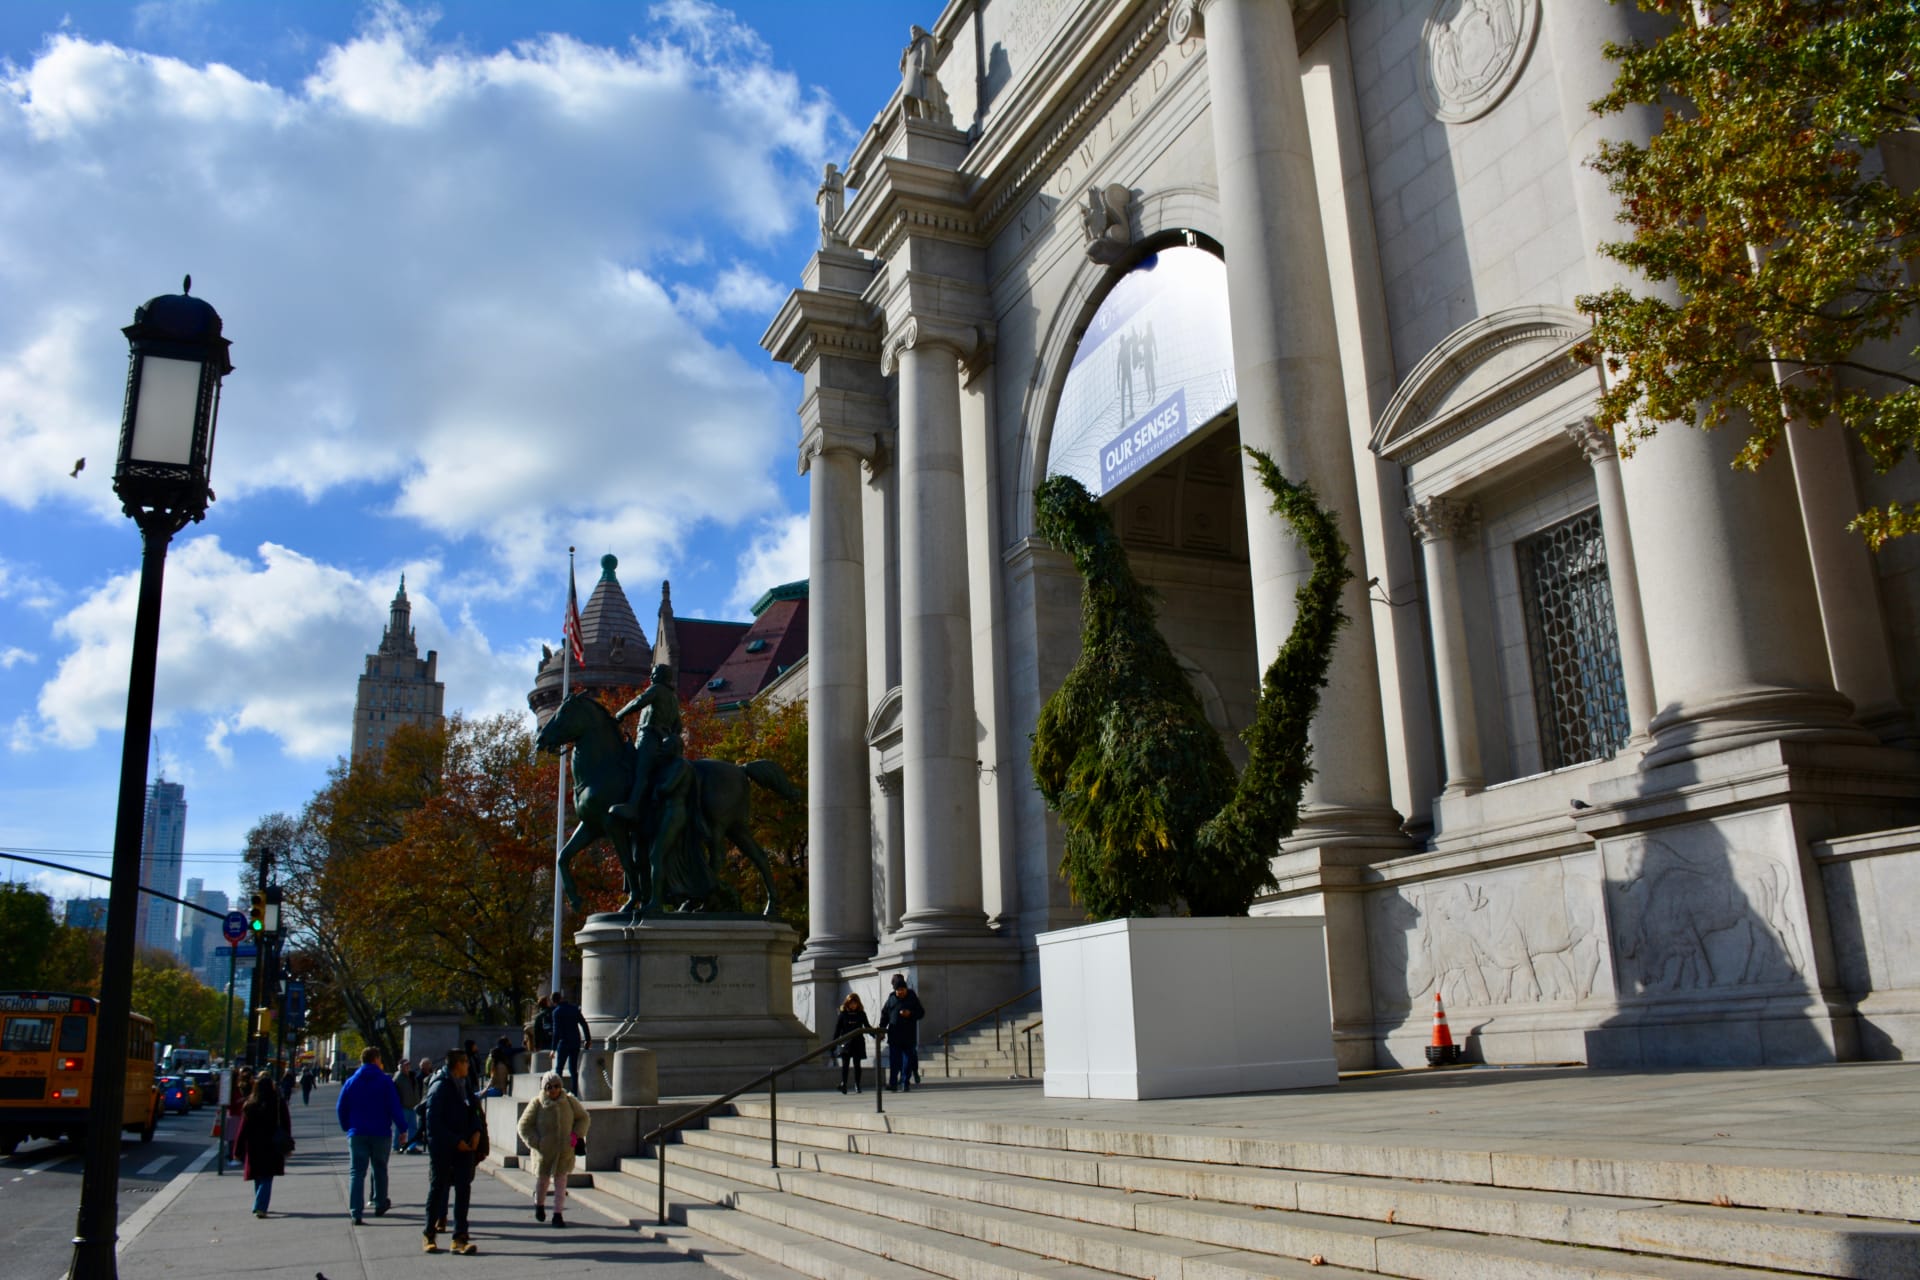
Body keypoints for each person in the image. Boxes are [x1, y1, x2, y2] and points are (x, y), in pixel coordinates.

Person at [337, 1046, 408, 1225]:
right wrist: (402, 1128)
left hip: (357, 1132)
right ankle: (380, 1202)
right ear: (376, 1059)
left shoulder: (351, 1081)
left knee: (356, 1173)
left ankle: (356, 1211)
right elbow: (394, 1107)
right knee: (380, 1169)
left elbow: (341, 1107)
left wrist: (347, 1126)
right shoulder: (385, 1082)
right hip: (381, 1132)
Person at [423, 1049, 482, 1255]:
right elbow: (433, 1123)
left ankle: (460, 1237)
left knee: (463, 1190)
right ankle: (429, 1234)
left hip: (465, 1146)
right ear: (458, 1064)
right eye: (466, 1062)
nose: (469, 1065)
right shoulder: (439, 1087)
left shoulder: (465, 1084)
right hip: (443, 1147)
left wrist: (476, 1130)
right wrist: (455, 1141)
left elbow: (474, 1110)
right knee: (438, 1188)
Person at [609, 662, 683, 824]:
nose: (651, 676)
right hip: (664, 740)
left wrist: (619, 714)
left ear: (661, 677)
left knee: (640, 771)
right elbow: (679, 726)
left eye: (654, 674)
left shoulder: (656, 690)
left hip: (648, 737)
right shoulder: (673, 698)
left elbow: (638, 701)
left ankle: (632, 807)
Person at [516, 1071, 590, 1227]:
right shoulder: (537, 1103)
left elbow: (583, 1118)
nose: (553, 1090)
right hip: (544, 1151)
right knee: (542, 1181)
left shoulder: (569, 1101)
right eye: (549, 1087)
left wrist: (576, 1135)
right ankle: (539, 1204)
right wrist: (536, 1142)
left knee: (561, 1183)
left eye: (557, 1086)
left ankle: (558, 1214)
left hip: (565, 1150)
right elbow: (523, 1125)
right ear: (544, 1088)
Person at [232, 1074, 292, 1218]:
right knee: (267, 1176)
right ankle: (260, 1205)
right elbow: (286, 1125)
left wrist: (237, 1150)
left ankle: (260, 1203)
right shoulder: (278, 1103)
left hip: (255, 1145)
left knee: (259, 1175)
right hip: (272, 1144)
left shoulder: (250, 1104)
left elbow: (242, 1129)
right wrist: (288, 1145)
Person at [879, 973, 926, 1092]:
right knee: (894, 1061)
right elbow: (884, 1015)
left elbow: (921, 1013)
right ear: (895, 990)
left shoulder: (912, 997)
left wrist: (910, 1014)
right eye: (898, 990)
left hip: (908, 1035)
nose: (901, 992)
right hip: (894, 1035)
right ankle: (893, 1083)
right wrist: (882, 1029)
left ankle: (905, 1082)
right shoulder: (891, 998)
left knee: (908, 1060)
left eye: (902, 989)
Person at [547, 989, 592, 1097]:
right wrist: (588, 1039)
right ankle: (574, 1093)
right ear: (561, 998)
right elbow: (583, 1023)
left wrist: (553, 1048)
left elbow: (556, 1031)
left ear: (554, 1001)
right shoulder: (574, 1009)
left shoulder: (556, 1012)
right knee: (573, 1069)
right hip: (575, 1041)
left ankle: (557, 1092)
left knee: (559, 1068)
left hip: (564, 1042)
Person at [833, 993, 872, 1094]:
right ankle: (844, 1084)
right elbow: (837, 1030)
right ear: (847, 1003)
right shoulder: (843, 1015)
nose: (853, 1005)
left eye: (855, 1003)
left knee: (857, 1064)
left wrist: (875, 1035)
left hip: (858, 1042)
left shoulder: (861, 1014)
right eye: (851, 1003)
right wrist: (834, 1043)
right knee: (845, 1065)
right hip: (846, 1043)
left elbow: (867, 1026)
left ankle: (857, 1085)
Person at [393, 1055, 422, 1153]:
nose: (406, 1067)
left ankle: (411, 1146)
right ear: (400, 1067)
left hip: (412, 1106)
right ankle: (397, 1146)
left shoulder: (412, 1076)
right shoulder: (398, 1078)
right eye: (404, 1065)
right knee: (400, 1128)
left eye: (408, 1065)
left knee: (413, 1128)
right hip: (402, 1107)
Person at [225, 1066, 253, 1164]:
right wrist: (241, 1100)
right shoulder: (234, 1089)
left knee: (234, 1137)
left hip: (236, 1114)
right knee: (234, 1137)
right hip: (235, 1114)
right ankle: (233, 1156)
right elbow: (231, 1103)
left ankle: (234, 1155)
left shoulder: (236, 1088)